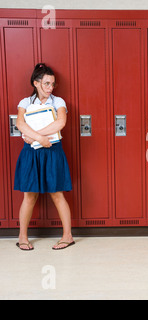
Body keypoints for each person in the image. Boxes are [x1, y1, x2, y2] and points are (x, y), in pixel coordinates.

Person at [14, 63, 74, 251]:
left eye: (52, 84)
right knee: (29, 196)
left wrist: (35, 135)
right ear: (36, 83)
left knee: (57, 194)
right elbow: (20, 123)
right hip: (31, 152)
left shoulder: (58, 102)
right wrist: (39, 138)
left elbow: (61, 122)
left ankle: (67, 236)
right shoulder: (25, 103)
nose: (50, 88)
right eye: (46, 84)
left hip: (52, 151)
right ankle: (22, 237)